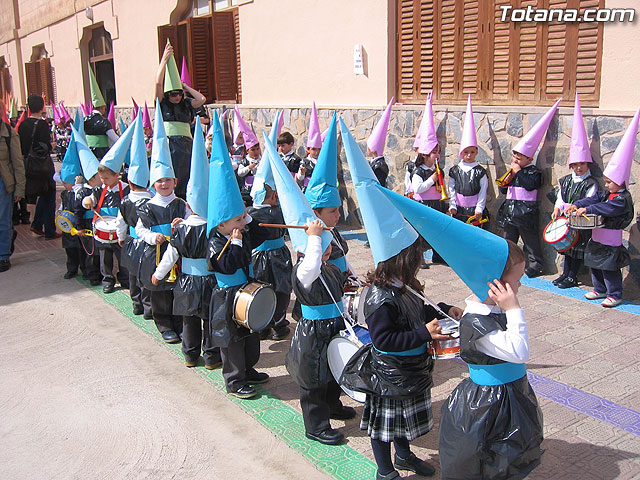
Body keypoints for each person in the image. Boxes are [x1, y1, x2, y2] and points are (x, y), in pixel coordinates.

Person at [340, 118, 463, 478]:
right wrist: (427, 333)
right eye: (416, 254)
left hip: (409, 368)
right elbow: (385, 339)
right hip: (390, 371)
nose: (421, 260)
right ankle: (385, 471)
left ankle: (405, 456)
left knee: (404, 424)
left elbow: (418, 308)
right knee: (384, 427)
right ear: (401, 258)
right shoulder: (380, 297)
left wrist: (442, 310)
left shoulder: (403, 284)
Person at [439, 240, 543, 479]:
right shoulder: (476, 322)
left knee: (513, 455)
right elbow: (520, 351)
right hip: (489, 405)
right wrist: (513, 309)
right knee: (492, 458)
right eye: (517, 279)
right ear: (495, 283)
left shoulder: (489, 309)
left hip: (508, 395)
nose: (519, 285)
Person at [206, 112, 268, 399]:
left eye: (242, 217)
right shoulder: (215, 241)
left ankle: (249, 369)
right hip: (226, 293)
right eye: (236, 220)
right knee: (231, 340)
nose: (242, 223)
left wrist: (250, 223)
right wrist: (236, 242)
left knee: (250, 333)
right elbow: (227, 262)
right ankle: (234, 379)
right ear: (220, 224)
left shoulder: (242, 231)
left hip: (245, 288)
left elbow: (260, 237)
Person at [153, 119, 221, 369]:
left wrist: (158, 274)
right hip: (210, 280)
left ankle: (190, 355)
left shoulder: (181, 228)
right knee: (210, 320)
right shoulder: (214, 230)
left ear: (188, 205)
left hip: (187, 281)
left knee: (189, 320)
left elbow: (171, 255)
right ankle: (212, 357)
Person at [566, 108, 637, 308]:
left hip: (610, 237)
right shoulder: (607, 193)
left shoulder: (622, 198)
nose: (606, 185)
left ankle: (614, 293)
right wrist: (578, 204)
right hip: (597, 234)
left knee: (609, 266)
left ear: (621, 182)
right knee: (594, 262)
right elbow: (594, 199)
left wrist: (587, 211)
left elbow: (606, 209)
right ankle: (599, 289)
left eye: (609, 182)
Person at [136, 102, 189, 343]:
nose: (164, 184)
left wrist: (182, 226)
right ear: (153, 183)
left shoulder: (181, 204)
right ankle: (164, 324)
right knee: (158, 293)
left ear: (175, 181)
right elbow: (139, 229)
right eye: (160, 181)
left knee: (176, 290)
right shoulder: (147, 206)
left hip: (176, 255)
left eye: (168, 180)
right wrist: (150, 236)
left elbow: (191, 223)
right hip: (155, 253)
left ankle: (178, 322)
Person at [497, 99, 561, 278]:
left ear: (529, 159)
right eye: (515, 155)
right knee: (509, 239)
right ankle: (506, 262)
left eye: (521, 157)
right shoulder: (513, 171)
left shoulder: (533, 172)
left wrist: (518, 173)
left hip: (525, 212)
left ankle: (536, 264)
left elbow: (531, 184)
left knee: (530, 239)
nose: (517, 159)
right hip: (511, 209)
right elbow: (504, 191)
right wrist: (507, 180)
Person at [248, 121, 293, 341]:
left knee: (264, 290)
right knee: (281, 291)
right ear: (274, 195)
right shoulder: (276, 212)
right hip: (277, 257)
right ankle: (277, 323)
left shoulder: (250, 214)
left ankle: (265, 323)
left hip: (260, 258)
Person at [550, 94, 599, 289]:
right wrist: (557, 208)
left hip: (580, 221)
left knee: (577, 248)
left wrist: (576, 209)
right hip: (566, 219)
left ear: (588, 164)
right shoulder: (567, 180)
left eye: (583, 164)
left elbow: (591, 199)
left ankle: (572, 275)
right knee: (567, 249)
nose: (579, 168)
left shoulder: (591, 183)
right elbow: (561, 197)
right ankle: (565, 273)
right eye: (576, 164)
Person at [155, 42, 206, 199]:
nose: (176, 97)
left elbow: (201, 99)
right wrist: (164, 60)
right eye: (173, 94)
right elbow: (157, 83)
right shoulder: (163, 104)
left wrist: (184, 86)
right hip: (170, 143)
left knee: (187, 173)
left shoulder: (186, 103)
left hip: (186, 143)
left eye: (179, 94)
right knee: (174, 172)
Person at [116, 113, 153, 319]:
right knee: (145, 275)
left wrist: (121, 238)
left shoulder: (125, 201)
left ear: (129, 183)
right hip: (146, 244)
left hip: (131, 242)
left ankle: (136, 304)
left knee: (132, 274)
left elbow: (121, 223)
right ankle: (148, 308)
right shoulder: (151, 202)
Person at [18, 94, 59, 240]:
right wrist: (52, 146)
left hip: (28, 164)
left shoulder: (22, 125)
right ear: (42, 107)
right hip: (42, 165)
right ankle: (49, 230)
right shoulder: (42, 125)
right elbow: (46, 146)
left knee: (42, 194)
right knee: (49, 194)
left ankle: (37, 224)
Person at [448, 96, 489, 228]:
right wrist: (452, 204)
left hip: (474, 212)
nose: (469, 155)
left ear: (476, 152)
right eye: (466, 152)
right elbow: (451, 188)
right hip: (459, 210)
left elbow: (483, 191)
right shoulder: (455, 170)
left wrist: (479, 208)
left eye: (472, 152)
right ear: (461, 153)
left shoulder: (480, 171)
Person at [0, 99, 25, 272]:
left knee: (3, 220)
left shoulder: (8, 133)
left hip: (3, 183)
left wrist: (19, 189)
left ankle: (2, 255)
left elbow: (17, 163)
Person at [84, 67, 119, 160]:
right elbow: (114, 139)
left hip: (88, 154)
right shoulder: (104, 122)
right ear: (102, 107)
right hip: (102, 154)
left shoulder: (85, 120)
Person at [295, 102, 322, 190]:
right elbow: (299, 178)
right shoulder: (305, 161)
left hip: (320, 188)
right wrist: (302, 173)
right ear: (308, 149)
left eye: (319, 149)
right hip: (308, 188)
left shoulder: (322, 161)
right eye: (314, 149)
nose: (317, 152)